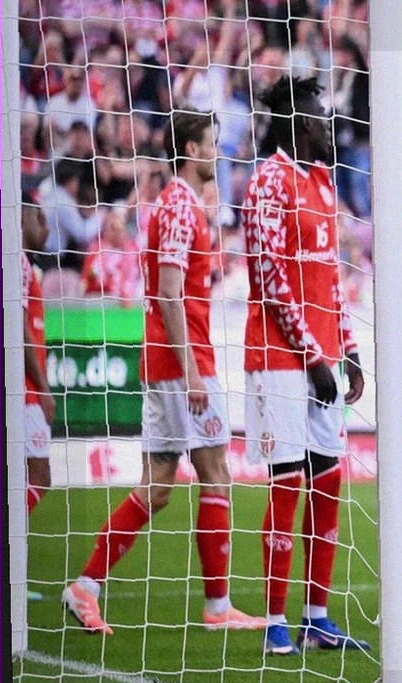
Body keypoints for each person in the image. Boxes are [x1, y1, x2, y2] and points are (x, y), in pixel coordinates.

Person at [62, 109, 267, 636]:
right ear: (192, 150)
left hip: (166, 360)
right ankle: (218, 608)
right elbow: (169, 294)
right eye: (212, 143)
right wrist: (193, 371)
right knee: (216, 472)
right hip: (181, 363)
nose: (218, 152)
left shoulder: (180, 206)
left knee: (157, 487)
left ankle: (85, 588)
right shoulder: (178, 207)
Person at [242, 76, 367, 656]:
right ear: (297, 122)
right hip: (278, 357)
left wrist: (349, 351)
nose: (328, 125)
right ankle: (274, 622)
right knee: (288, 480)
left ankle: (316, 616)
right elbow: (272, 280)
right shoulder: (267, 183)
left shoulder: (320, 180)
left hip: (321, 358)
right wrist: (314, 357)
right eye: (320, 116)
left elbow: (330, 279)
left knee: (329, 478)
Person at [21, 192, 54, 518]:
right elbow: (20, 329)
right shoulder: (18, 262)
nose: (46, 228)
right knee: (40, 476)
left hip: (25, 388)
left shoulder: (23, 264)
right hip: (27, 391)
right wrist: (43, 388)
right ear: (21, 218)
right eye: (39, 218)